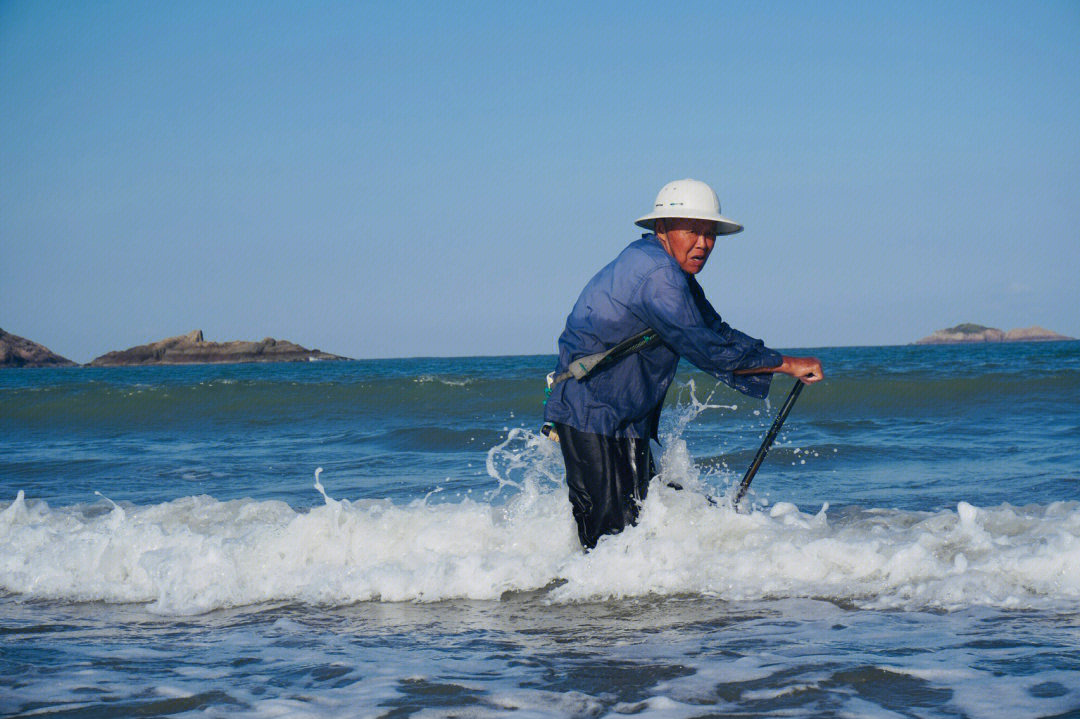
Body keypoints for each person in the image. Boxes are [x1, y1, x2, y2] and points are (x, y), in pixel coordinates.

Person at [543, 178, 823, 550]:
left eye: (711, 234)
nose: (703, 244)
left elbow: (716, 330)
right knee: (610, 539)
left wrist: (777, 361)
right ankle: (588, 607)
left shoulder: (668, 271)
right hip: (592, 414)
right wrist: (785, 364)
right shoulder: (659, 278)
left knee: (633, 529)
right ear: (662, 228)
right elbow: (706, 348)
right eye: (693, 231)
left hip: (624, 418)